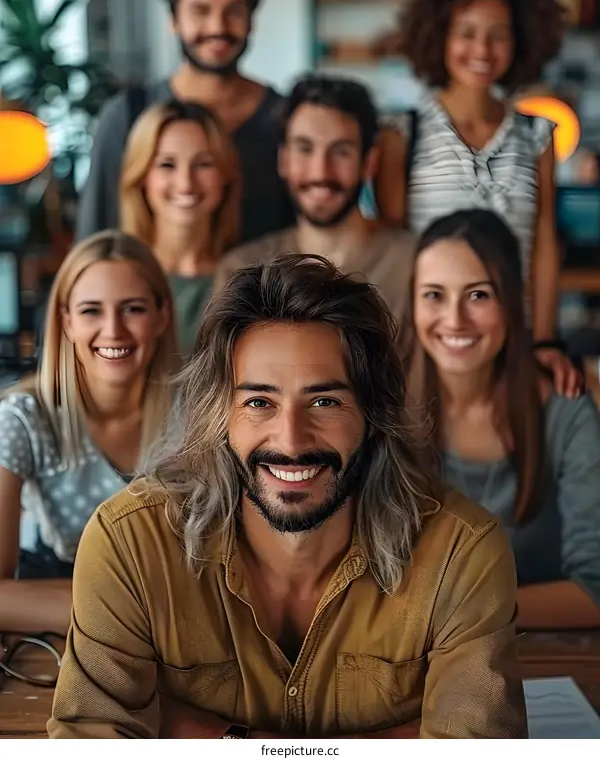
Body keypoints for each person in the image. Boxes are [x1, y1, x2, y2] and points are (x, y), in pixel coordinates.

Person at [49, 254, 526, 739]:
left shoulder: (461, 553)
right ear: (220, 415)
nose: (292, 441)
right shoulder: (131, 543)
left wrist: (207, 734)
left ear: (373, 416)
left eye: (325, 402)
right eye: (259, 402)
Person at [375, 0, 574, 391]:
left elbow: (542, 245)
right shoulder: (401, 135)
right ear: (439, 37)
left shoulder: (538, 136)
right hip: (429, 341)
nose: (482, 50)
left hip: (512, 337)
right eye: (466, 32)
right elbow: (393, 249)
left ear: (519, 41)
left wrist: (544, 339)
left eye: (498, 34)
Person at [404, 209, 600, 631]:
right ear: (413, 301)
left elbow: (595, 591)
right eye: (434, 294)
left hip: (539, 661)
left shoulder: (565, 413)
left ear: (512, 301)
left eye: (479, 295)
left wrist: (458, 614)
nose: (455, 319)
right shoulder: (385, 412)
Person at [0, 230, 177, 635]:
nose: (113, 330)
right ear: (66, 323)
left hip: (170, 626)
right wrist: (128, 614)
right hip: (91, 621)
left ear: (162, 315)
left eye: (132, 308)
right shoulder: (24, 418)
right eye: (91, 311)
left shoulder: (200, 414)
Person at [77, 0, 293, 243]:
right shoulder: (128, 116)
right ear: (174, 19)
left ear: (251, 19)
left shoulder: (284, 119)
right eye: (200, 10)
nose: (218, 27)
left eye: (233, 11)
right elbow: (93, 243)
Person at [213, 74, 415, 324]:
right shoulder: (242, 272)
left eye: (341, 151)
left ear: (369, 162)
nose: (321, 172)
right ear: (283, 159)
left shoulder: (414, 264)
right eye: (305, 149)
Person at [121, 99, 240, 355]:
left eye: (203, 164)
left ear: (225, 175)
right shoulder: (116, 277)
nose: (186, 183)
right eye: (167, 164)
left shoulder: (249, 281)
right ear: (142, 176)